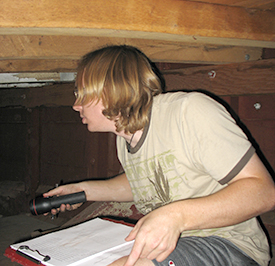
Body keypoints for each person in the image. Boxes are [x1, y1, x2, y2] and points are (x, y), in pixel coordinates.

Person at [44, 45, 275, 266]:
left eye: (83, 93)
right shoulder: (124, 137)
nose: (76, 105)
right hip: (169, 243)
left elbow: (264, 192)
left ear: (111, 89)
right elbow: (145, 182)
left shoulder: (189, 111)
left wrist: (175, 217)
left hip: (229, 245)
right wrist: (83, 191)